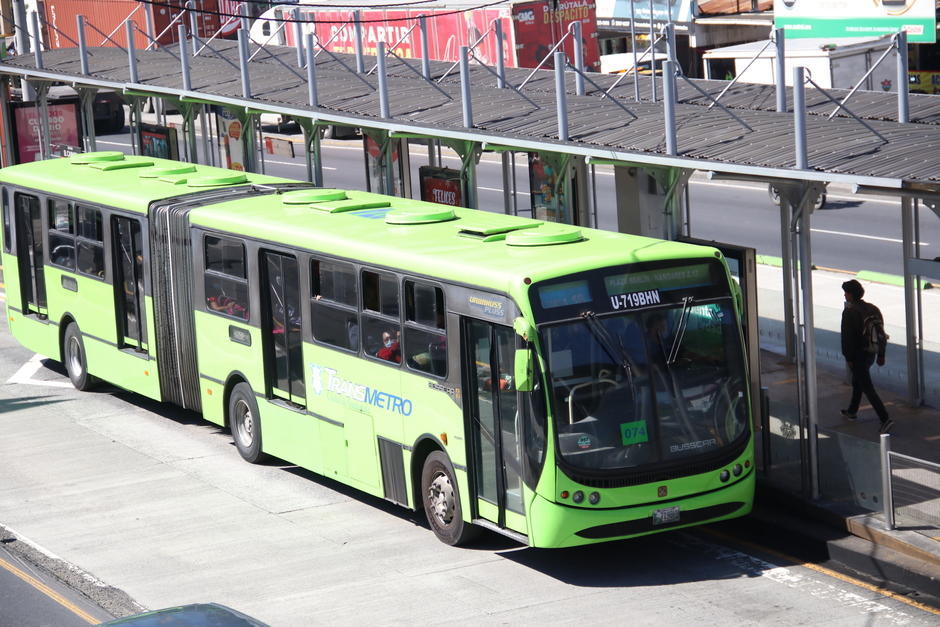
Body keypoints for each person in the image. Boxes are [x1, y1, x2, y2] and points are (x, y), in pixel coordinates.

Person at [840, 279, 892, 433]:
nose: (844, 295)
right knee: (858, 382)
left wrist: (848, 358)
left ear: (850, 295)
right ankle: (852, 411)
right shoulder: (873, 309)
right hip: (871, 353)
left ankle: (885, 418)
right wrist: (881, 354)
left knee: (867, 387)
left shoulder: (850, 312)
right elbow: (881, 334)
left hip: (857, 355)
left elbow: (847, 338)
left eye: (846, 292)